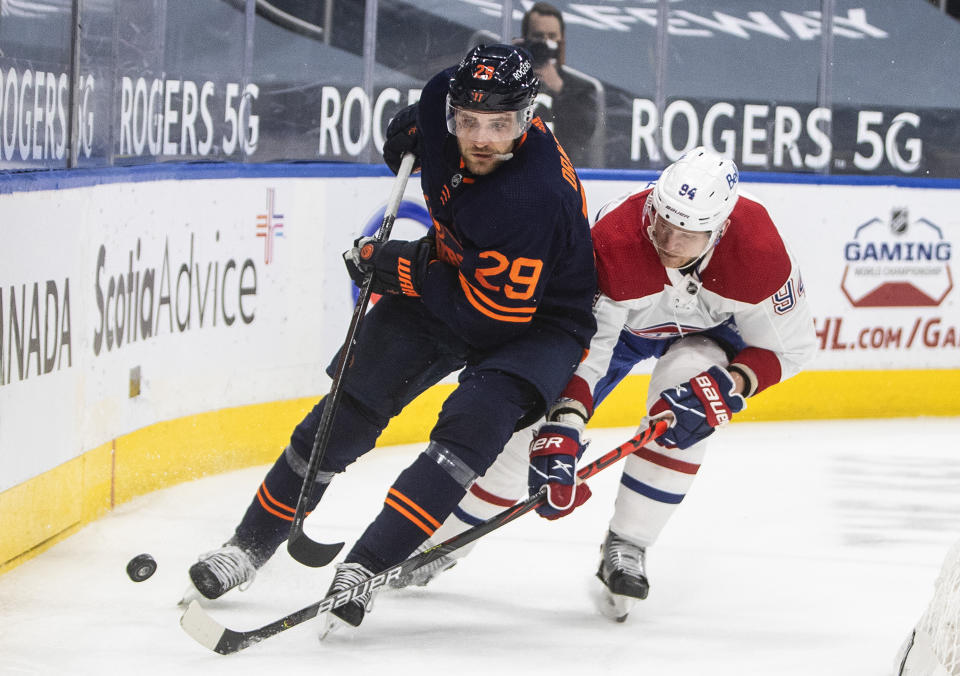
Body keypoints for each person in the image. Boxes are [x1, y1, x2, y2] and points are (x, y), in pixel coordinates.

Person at [183, 43, 597, 634]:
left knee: (465, 436)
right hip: (455, 274)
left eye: (499, 126)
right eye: (467, 122)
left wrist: (400, 267)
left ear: (528, 118)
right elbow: (409, 133)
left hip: (532, 322)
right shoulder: (440, 102)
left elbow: (489, 318)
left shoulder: (535, 198)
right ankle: (247, 547)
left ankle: (366, 566)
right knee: (347, 409)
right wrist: (404, 138)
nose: (479, 138)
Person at [399, 147, 817, 622]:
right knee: (526, 441)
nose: (670, 242)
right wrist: (564, 421)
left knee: (684, 423)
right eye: (663, 222)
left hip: (709, 334)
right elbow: (584, 346)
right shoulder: (614, 238)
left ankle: (629, 543)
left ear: (719, 227)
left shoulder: (759, 251)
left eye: (690, 232)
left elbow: (792, 348)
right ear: (653, 204)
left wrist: (733, 382)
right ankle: (441, 543)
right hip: (622, 331)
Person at [516, 2, 605, 168]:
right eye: (538, 36)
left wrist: (560, 89)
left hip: (562, 169)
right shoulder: (511, 80)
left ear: (561, 41)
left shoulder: (581, 88)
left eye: (552, 36)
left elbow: (584, 133)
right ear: (525, 39)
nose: (545, 43)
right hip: (518, 166)